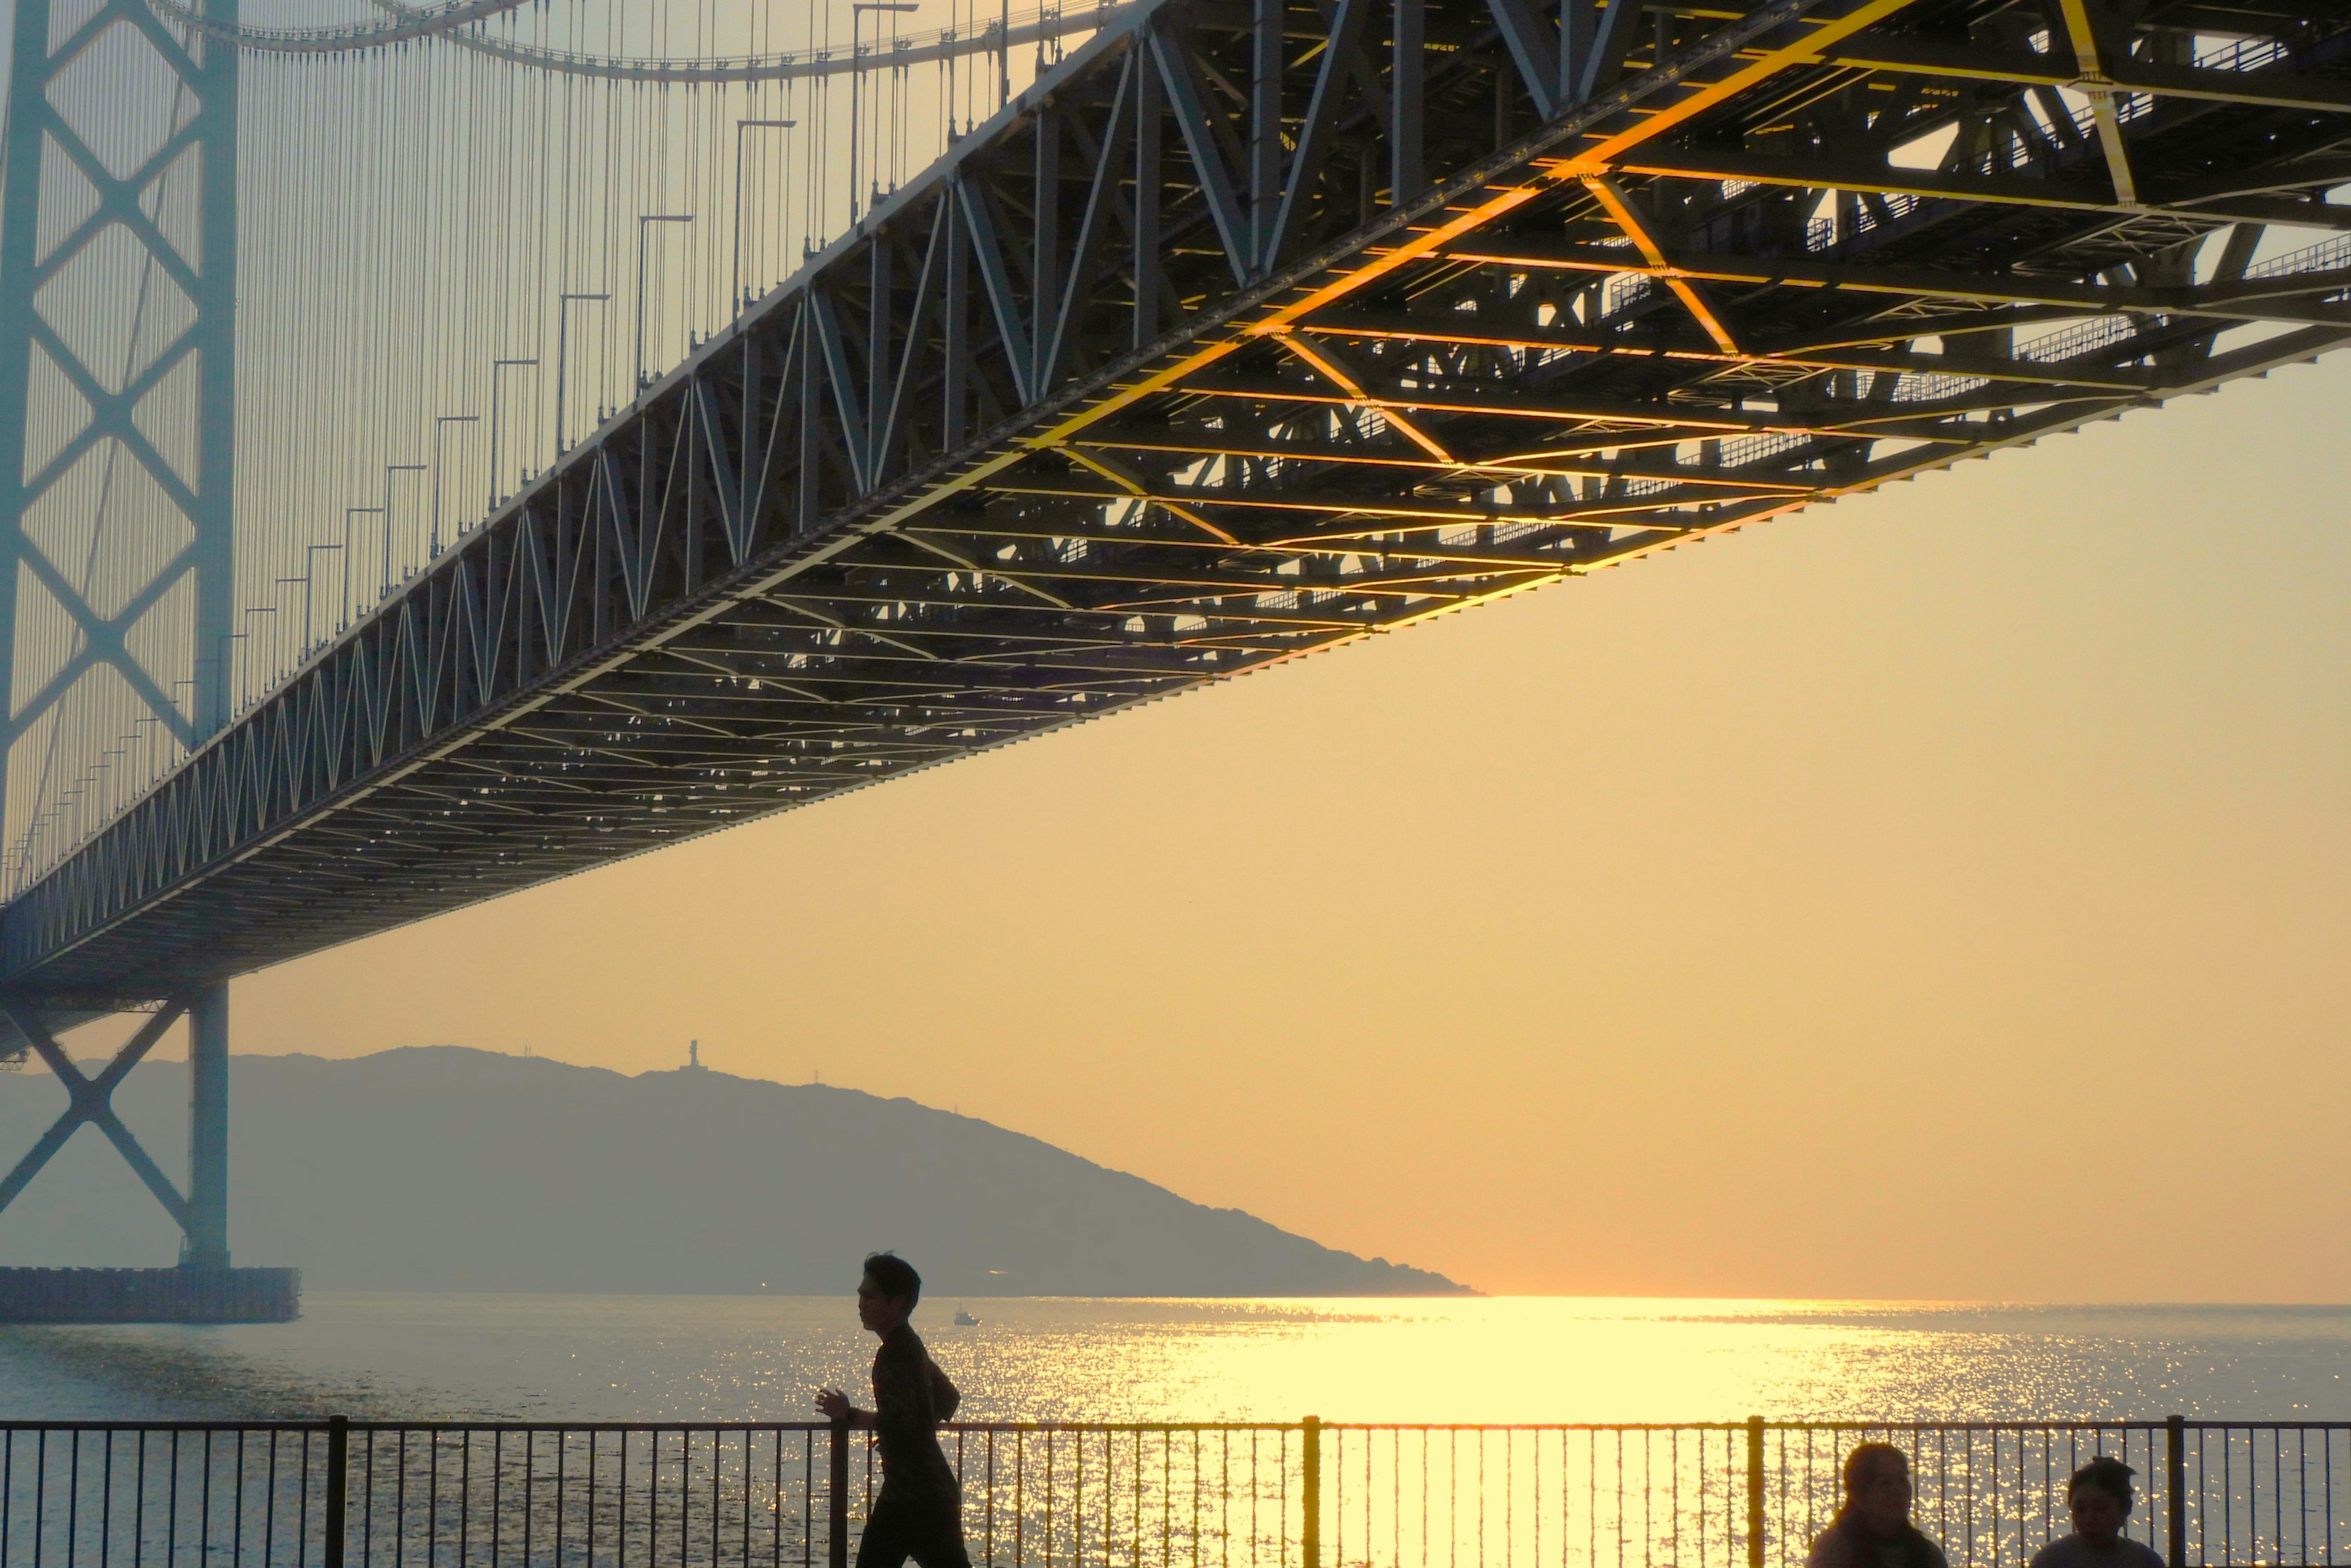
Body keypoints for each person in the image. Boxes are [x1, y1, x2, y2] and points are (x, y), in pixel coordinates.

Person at [817, 1253, 969, 1568]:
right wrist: (898, 1432)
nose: (861, 1302)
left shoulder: (895, 1353)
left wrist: (849, 1414)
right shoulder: (909, 1346)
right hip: (916, 1493)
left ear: (897, 1302)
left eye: (869, 1295)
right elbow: (945, 1399)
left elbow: (908, 1423)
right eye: (860, 1294)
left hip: (917, 1498)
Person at [1807, 1443, 1950, 1568]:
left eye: (1902, 1480)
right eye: (1885, 1483)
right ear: (1858, 1494)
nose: (1898, 1491)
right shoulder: (1834, 1549)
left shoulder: (1927, 1554)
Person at [2028, 1458, 2165, 1568]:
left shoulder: (2145, 1561)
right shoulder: (2051, 1560)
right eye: (2080, 1510)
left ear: (2126, 1509)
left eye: (2101, 1509)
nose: (2089, 1519)